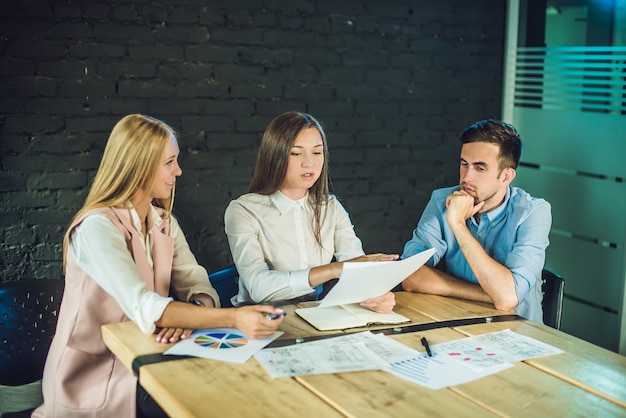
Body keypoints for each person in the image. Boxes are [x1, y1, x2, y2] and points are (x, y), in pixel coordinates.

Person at [33, 114, 284, 418]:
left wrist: (195, 311)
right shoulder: (96, 228)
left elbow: (198, 283)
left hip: (148, 361)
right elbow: (144, 306)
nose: (178, 171)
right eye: (169, 162)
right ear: (138, 165)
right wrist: (234, 318)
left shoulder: (164, 222)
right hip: (95, 378)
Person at [224, 111, 397, 313]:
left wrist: (377, 294)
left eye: (317, 152)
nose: (309, 163)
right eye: (296, 153)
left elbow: (357, 268)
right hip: (257, 319)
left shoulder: (330, 207)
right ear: (274, 155)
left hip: (312, 314)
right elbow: (259, 288)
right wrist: (333, 269)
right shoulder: (243, 210)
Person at [401, 119, 551, 323]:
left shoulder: (533, 212)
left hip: (518, 332)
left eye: (480, 168)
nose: (467, 177)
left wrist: (458, 225)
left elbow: (507, 298)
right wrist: (489, 294)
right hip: (459, 322)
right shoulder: (441, 200)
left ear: (506, 177)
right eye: (464, 164)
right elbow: (409, 275)